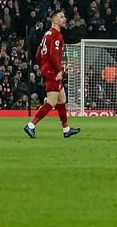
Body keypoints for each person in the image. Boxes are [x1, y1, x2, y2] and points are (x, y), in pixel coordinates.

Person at [23, 9, 80, 139]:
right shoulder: (56, 35)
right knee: (52, 101)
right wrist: (58, 70)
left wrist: (43, 66)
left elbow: (38, 54)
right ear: (54, 20)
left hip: (47, 69)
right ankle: (31, 125)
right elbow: (53, 55)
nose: (64, 19)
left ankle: (66, 129)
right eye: (61, 17)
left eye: (64, 16)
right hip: (52, 71)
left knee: (62, 100)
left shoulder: (46, 34)